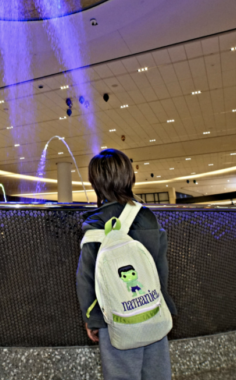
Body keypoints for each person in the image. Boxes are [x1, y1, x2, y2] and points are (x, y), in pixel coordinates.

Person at [76, 149, 176, 380]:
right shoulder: (148, 217)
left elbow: (87, 279)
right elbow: (160, 267)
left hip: (116, 320)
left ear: (95, 183)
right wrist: (165, 305)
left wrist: (93, 320)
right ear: (131, 177)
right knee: (157, 373)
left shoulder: (95, 223)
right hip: (152, 310)